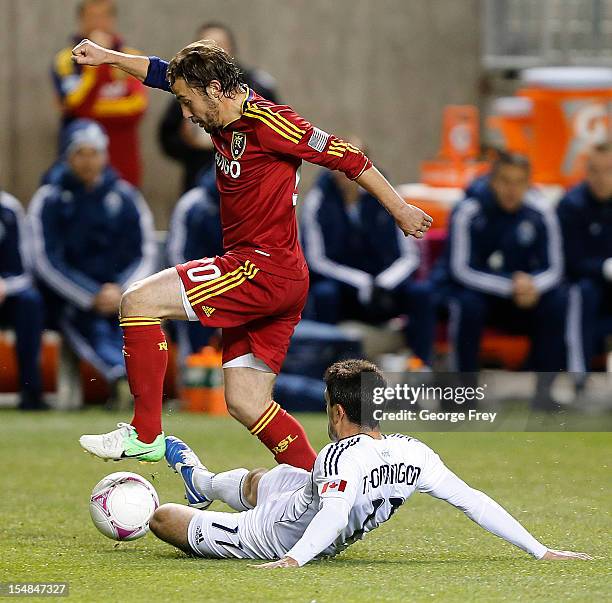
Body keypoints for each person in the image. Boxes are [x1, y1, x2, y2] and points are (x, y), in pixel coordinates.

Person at [71, 38, 432, 468]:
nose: (185, 113)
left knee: (138, 301)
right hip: (277, 276)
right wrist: (109, 57)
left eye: (188, 102)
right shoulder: (216, 104)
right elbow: (158, 71)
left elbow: (347, 156)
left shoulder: (271, 123)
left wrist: (401, 210)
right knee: (246, 401)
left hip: (261, 268)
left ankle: (145, 433)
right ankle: (323, 490)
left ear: (215, 90)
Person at [149, 359, 591, 566]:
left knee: (162, 518)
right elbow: (473, 501)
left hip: (271, 537)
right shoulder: (413, 452)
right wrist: (540, 549)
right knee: (266, 478)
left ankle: (193, 494)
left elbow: (336, 512)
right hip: (303, 501)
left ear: (338, 413)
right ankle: (202, 482)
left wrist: (294, 560)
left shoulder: (338, 456)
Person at [29, 119, 156, 404]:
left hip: (121, 294)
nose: (88, 161)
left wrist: (123, 291)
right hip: (72, 300)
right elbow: (46, 261)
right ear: (67, 156)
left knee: (133, 323)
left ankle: (137, 379)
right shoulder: (50, 199)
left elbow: (144, 252)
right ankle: (122, 376)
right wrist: (90, 295)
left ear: (105, 155)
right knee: (89, 326)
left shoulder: (125, 197)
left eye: (95, 153)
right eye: (80, 153)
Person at [445, 153, 566, 390]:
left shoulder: (542, 212)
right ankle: (462, 392)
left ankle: (545, 394)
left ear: (528, 183)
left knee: (559, 300)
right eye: (505, 181)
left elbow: (555, 268)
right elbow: (460, 269)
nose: (512, 189)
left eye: (519, 182)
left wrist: (531, 286)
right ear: (492, 180)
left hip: (526, 297)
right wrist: (510, 285)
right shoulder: (468, 210)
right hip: (485, 296)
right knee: (467, 304)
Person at [301, 153, 434, 366]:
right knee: (324, 294)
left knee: (422, 293)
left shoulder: (387, 196)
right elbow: (315, 260)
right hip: (345, 288)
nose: (345, 171)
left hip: (386, 285)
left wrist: (383, 283)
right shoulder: (318, 201)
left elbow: (409, 255)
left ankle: (422, 366)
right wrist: (360, 282)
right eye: (338, 163)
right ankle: (322, 368)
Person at [159, 22, 279, 193]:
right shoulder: (186, 90)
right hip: (199, 184)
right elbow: (167, 138)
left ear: (232, 51)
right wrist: (186, 142)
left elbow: (278, 136)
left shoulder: (257, 88)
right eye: (203, 49)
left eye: (219, 47)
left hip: (250, 188)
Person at [51, 0, 148, 186]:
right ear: (80, 20)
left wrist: (94, 108)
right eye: (92, 17)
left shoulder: (132, 58)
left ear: (113, 20)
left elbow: (137, 107)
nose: (98, 23)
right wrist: (98, 65)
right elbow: (76, 108)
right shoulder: (66, 60)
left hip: (124, 164)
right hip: (77, 166)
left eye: (103, 16)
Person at [557, 142, 612, 375]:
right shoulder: (571, 205)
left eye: (609, 170)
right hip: (581, 283)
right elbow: (570, 261)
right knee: (584, 293)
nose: (601, 178)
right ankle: (578, 378)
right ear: (585, 171)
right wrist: (605, 267)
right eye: (594, 170)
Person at [166, 167, 222, 355]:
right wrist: (207, 287)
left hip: (240, 286)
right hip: (196, 287)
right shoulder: (193, 204)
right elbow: (177, 255)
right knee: (194, 320)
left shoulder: (257, 202)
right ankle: (192, 380)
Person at [0, 190, 46, 410]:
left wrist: (5, 285)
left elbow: (26, 270)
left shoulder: (9, 208)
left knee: (30, 302)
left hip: (8, 295)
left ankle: (31, 390)